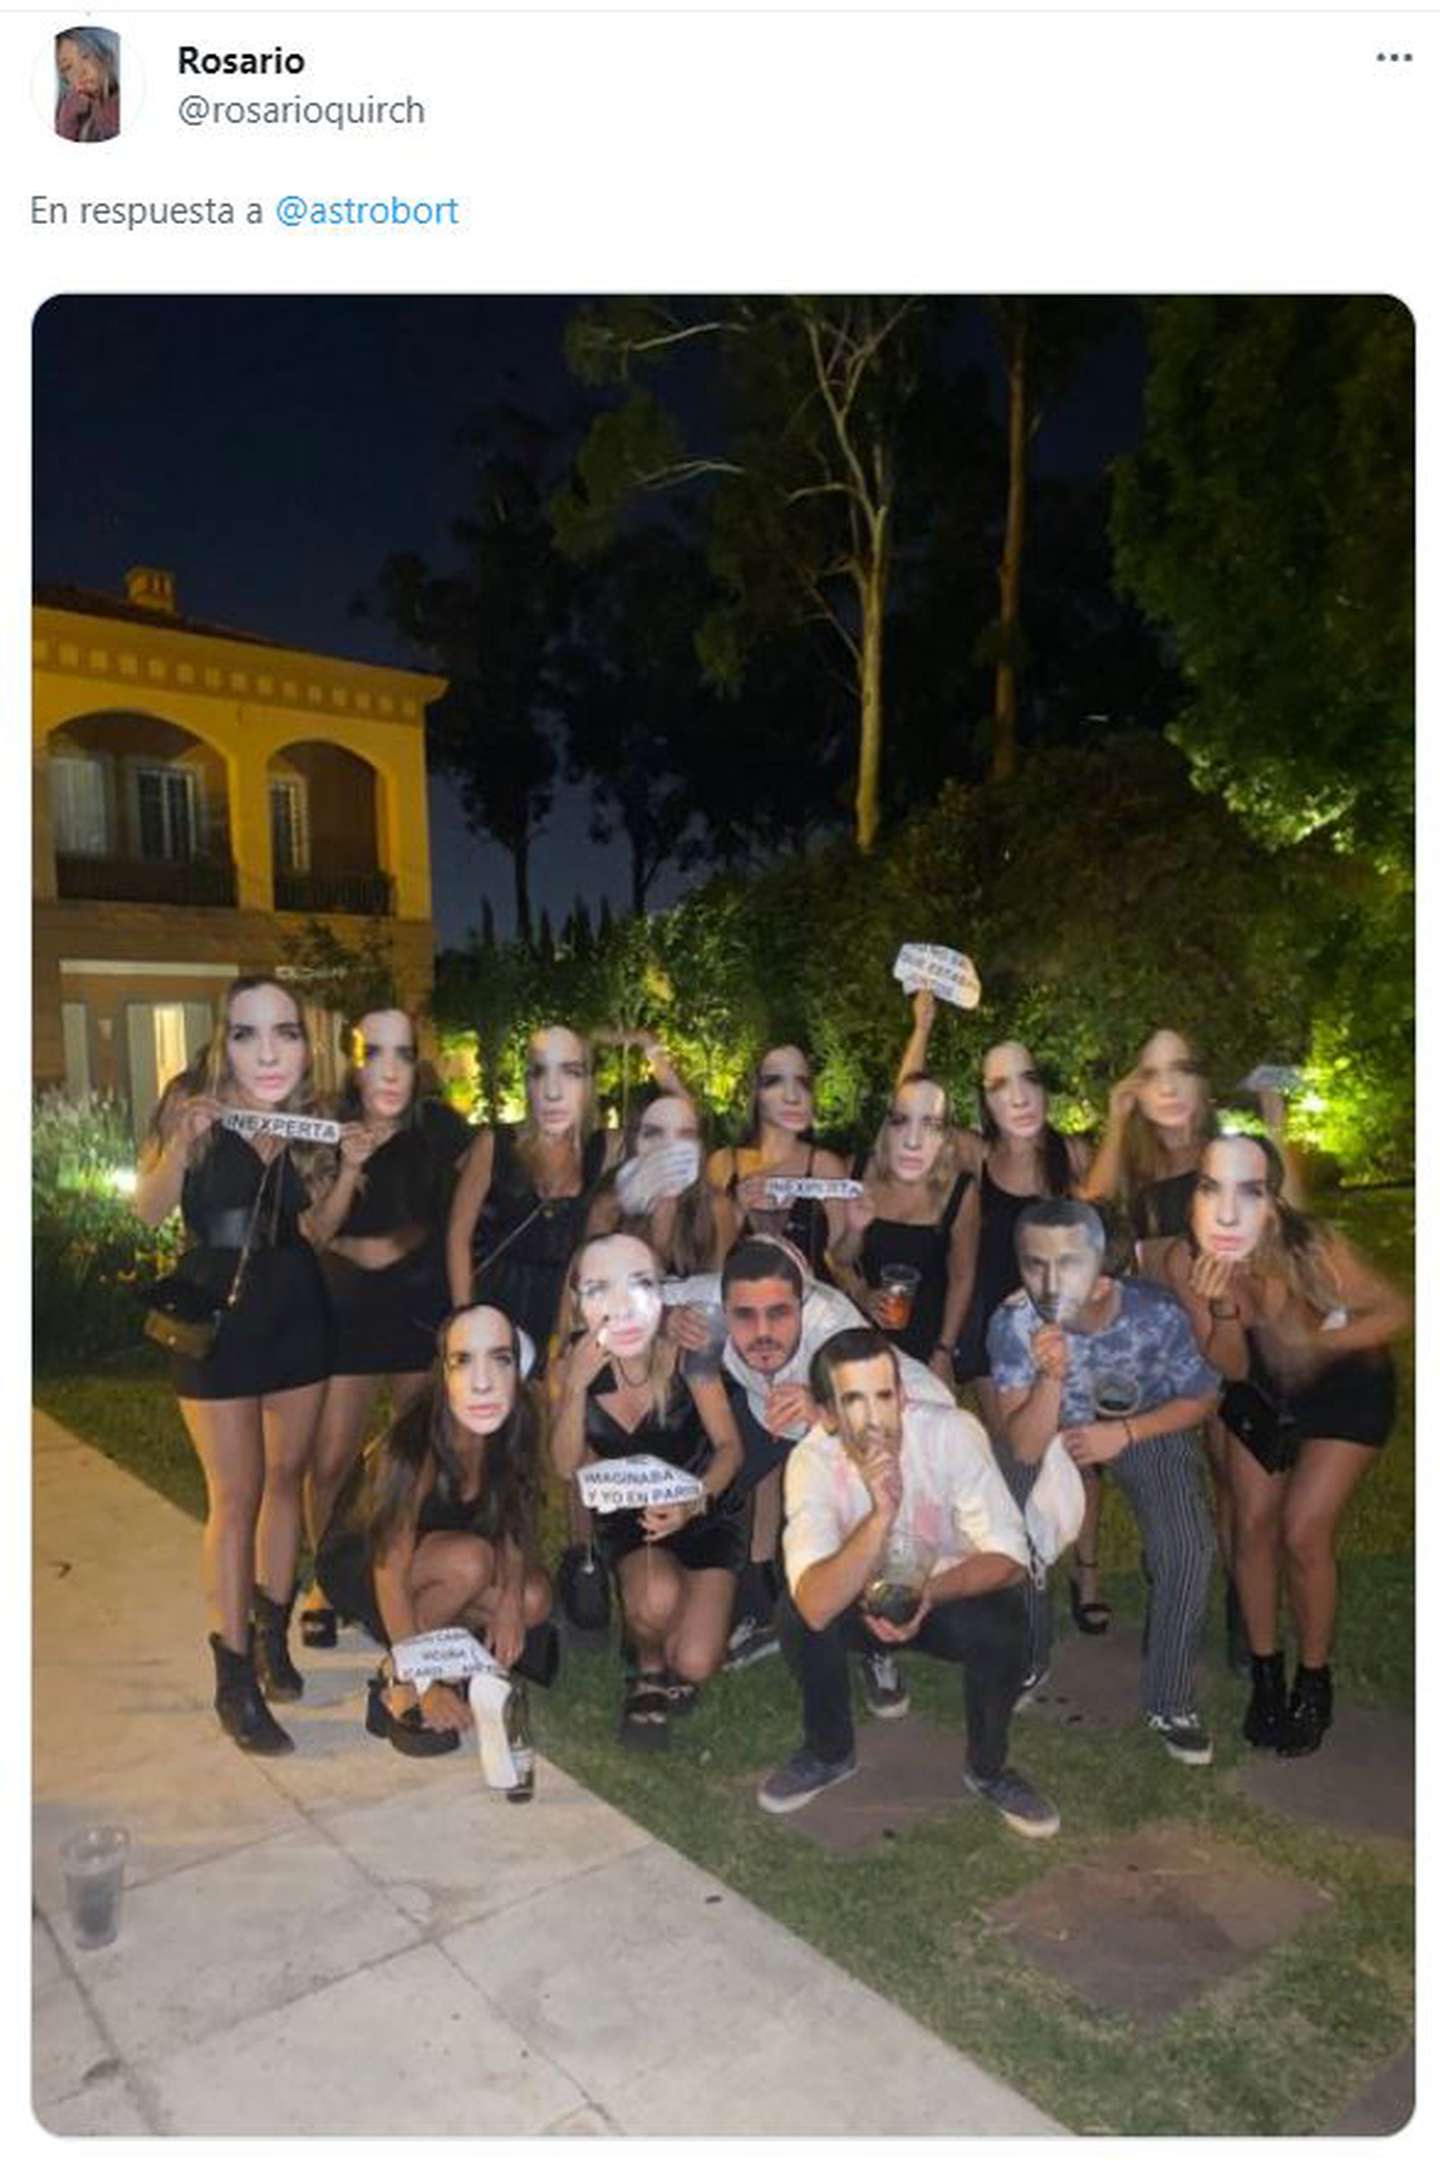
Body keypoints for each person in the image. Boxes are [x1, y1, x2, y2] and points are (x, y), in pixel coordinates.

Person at [132, 976, 339, 1755]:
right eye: (249, 1032)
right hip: (216, 1314)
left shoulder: (310, 1116)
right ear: (226, 1039)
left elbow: (319, 1229)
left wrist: (345, 1165)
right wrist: (182, 1143)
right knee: (236, 1493)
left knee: (286, 1478)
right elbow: (149, 1208)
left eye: (285, 1031)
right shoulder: (192, 1099)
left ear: (304, 1044)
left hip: (296, 1308)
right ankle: (233, 1677)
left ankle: (271, 1633)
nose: (268, 1050)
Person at [757, 1327, 1058, 1838]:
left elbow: (1009, 1558)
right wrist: (880, 1515)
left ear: (902, 1396)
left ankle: (989, 1769)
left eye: (884, 1395)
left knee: (1005, 1619)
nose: (876, 1418)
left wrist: (925, 1595)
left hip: (942, 1592)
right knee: (797, 1615)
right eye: (854, 1401)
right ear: (827, 1415)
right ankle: (829, 1752)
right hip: (856, 1595)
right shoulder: (811, 1461)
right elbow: (814, 1604)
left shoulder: (951, 1434)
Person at [1167, 1134, 1409, 1756]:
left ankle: (1315, 1679)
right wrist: (1222, 1309)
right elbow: (1229, 1364)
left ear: (1272, 1203)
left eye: (1249, 1191)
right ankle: (1266, 1674)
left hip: (1346, 1386)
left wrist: (1317, 1342)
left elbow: (1395, 1310)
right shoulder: (1186, 1259)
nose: (1228, 1210)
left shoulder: (1310, 1245)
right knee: (1252, 1525)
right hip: (1261, 1391)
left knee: (1303, 1532)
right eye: (1211, 1188)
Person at [989, 1199, 1222, 1764]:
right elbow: (1023, 1445)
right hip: (1049, 1430)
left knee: (1187, 1547)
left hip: (1143, 1427)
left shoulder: (1157, 1315)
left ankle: (1169, 1699)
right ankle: (1028, 1658)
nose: (1045, 1282)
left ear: (1101, 1283)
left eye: (1065, 1267)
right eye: (1036, 1263)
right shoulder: (1014, 1321)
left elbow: (1203, 1397)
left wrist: (1126, 1434)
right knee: (1012, 1524)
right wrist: (1051, 1376)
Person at [670, 1235, 955, 1693]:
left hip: (852, 1425)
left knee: (860, 1518)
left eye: (779, 1312)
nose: (762, 1330)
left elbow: (908, 1412)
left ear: (803, 1303)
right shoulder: (708, 1298)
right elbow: (629, 1293)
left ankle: (875, 1645)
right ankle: (754, 1606)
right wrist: (666, 1321)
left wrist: (824, 1409)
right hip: (766, 1412)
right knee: (712, 1492)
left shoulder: (834, 1327)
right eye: (745, 1313)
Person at [315, 1303, 554, 1778]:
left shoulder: (512, 1429)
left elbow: (513, 1522)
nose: (484, 1380)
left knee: (533, 1599)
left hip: (442, 1558)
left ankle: (448, 1648)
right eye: (466, 1362)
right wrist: (424, 1681)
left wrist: (509, 1600)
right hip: (364, 1563)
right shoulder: (416, 1442)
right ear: (445, 1371)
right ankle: (400, 1678)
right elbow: (388, 1568)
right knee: (470, 1562)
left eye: (500, 1362)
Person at [298, 1009, 473, 1649]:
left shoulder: (439, 1130)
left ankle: (402, 1573)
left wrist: (388, 1245)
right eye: (375, 1053)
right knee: (330, 1458)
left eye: (402, 1053)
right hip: (346, 1314)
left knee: (417, 1457)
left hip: (419, 1310)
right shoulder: (329, 1131)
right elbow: (312, 1229)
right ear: (355, 1061)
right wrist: (351, 1213)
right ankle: (327, 1580)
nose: (390, 1068)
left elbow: (449, 1216)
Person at [549, 1232, 746, 1747]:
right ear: (579, 1298)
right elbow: (566, 1466)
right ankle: (648, 1664)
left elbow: (730, 1449)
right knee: (657, 1599)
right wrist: (574, 1386)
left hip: (703, 1507)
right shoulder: (573, 1362)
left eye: (634, 1284)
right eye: (600, 1287)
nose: (619, 1302)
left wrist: (692, 1501)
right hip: (630, 1518)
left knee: (697, 1663)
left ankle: (660, 1626)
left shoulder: (684, 1347)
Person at [446, 1024, 621, 1367]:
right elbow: (457, 1237)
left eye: (571, 1072)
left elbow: (679, 1140)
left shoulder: (604, 1149)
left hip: (567, 1312)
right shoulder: (496, 1144)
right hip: (500, 1304)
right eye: (540, 1072)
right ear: (529, 1083)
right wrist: (463, 1322)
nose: (554, 1090)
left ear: (587, 1084)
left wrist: (647, 1047)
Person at [830, 1070, 978, 1381]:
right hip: (861, 1342)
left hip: (925, 1347)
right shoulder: (856, 1173)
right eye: (901, 1121)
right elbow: (836, 1258)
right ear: (887, 1128)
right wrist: (862, 1292)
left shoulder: (960, 1192)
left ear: (946, 1136)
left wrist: (944, 1351)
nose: (913, 1141)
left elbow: (962, 1278)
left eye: (931, 1125)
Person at [706, 1043, 850, 1281]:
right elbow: (708, 1265)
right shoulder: (723, 1164)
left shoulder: (826, 1166)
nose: (792, 1096)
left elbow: (842, 1263)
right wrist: (736, 1211)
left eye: (803, 1083)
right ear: (755, 1093)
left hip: (810, 1302)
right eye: (774, 1081)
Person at [586, 1083, 740, 1277]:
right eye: (655, 1133)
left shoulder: (716, 1208)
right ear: (636, 1141)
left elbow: (725, 1289)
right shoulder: (610, 1206)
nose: (670, 1146)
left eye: (685, 1134)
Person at [55, 27, 120, 142]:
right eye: (68, 67)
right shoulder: (70, 111)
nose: (80, 72)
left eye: (85, 56)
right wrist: (68, 119)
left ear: (104, 57)